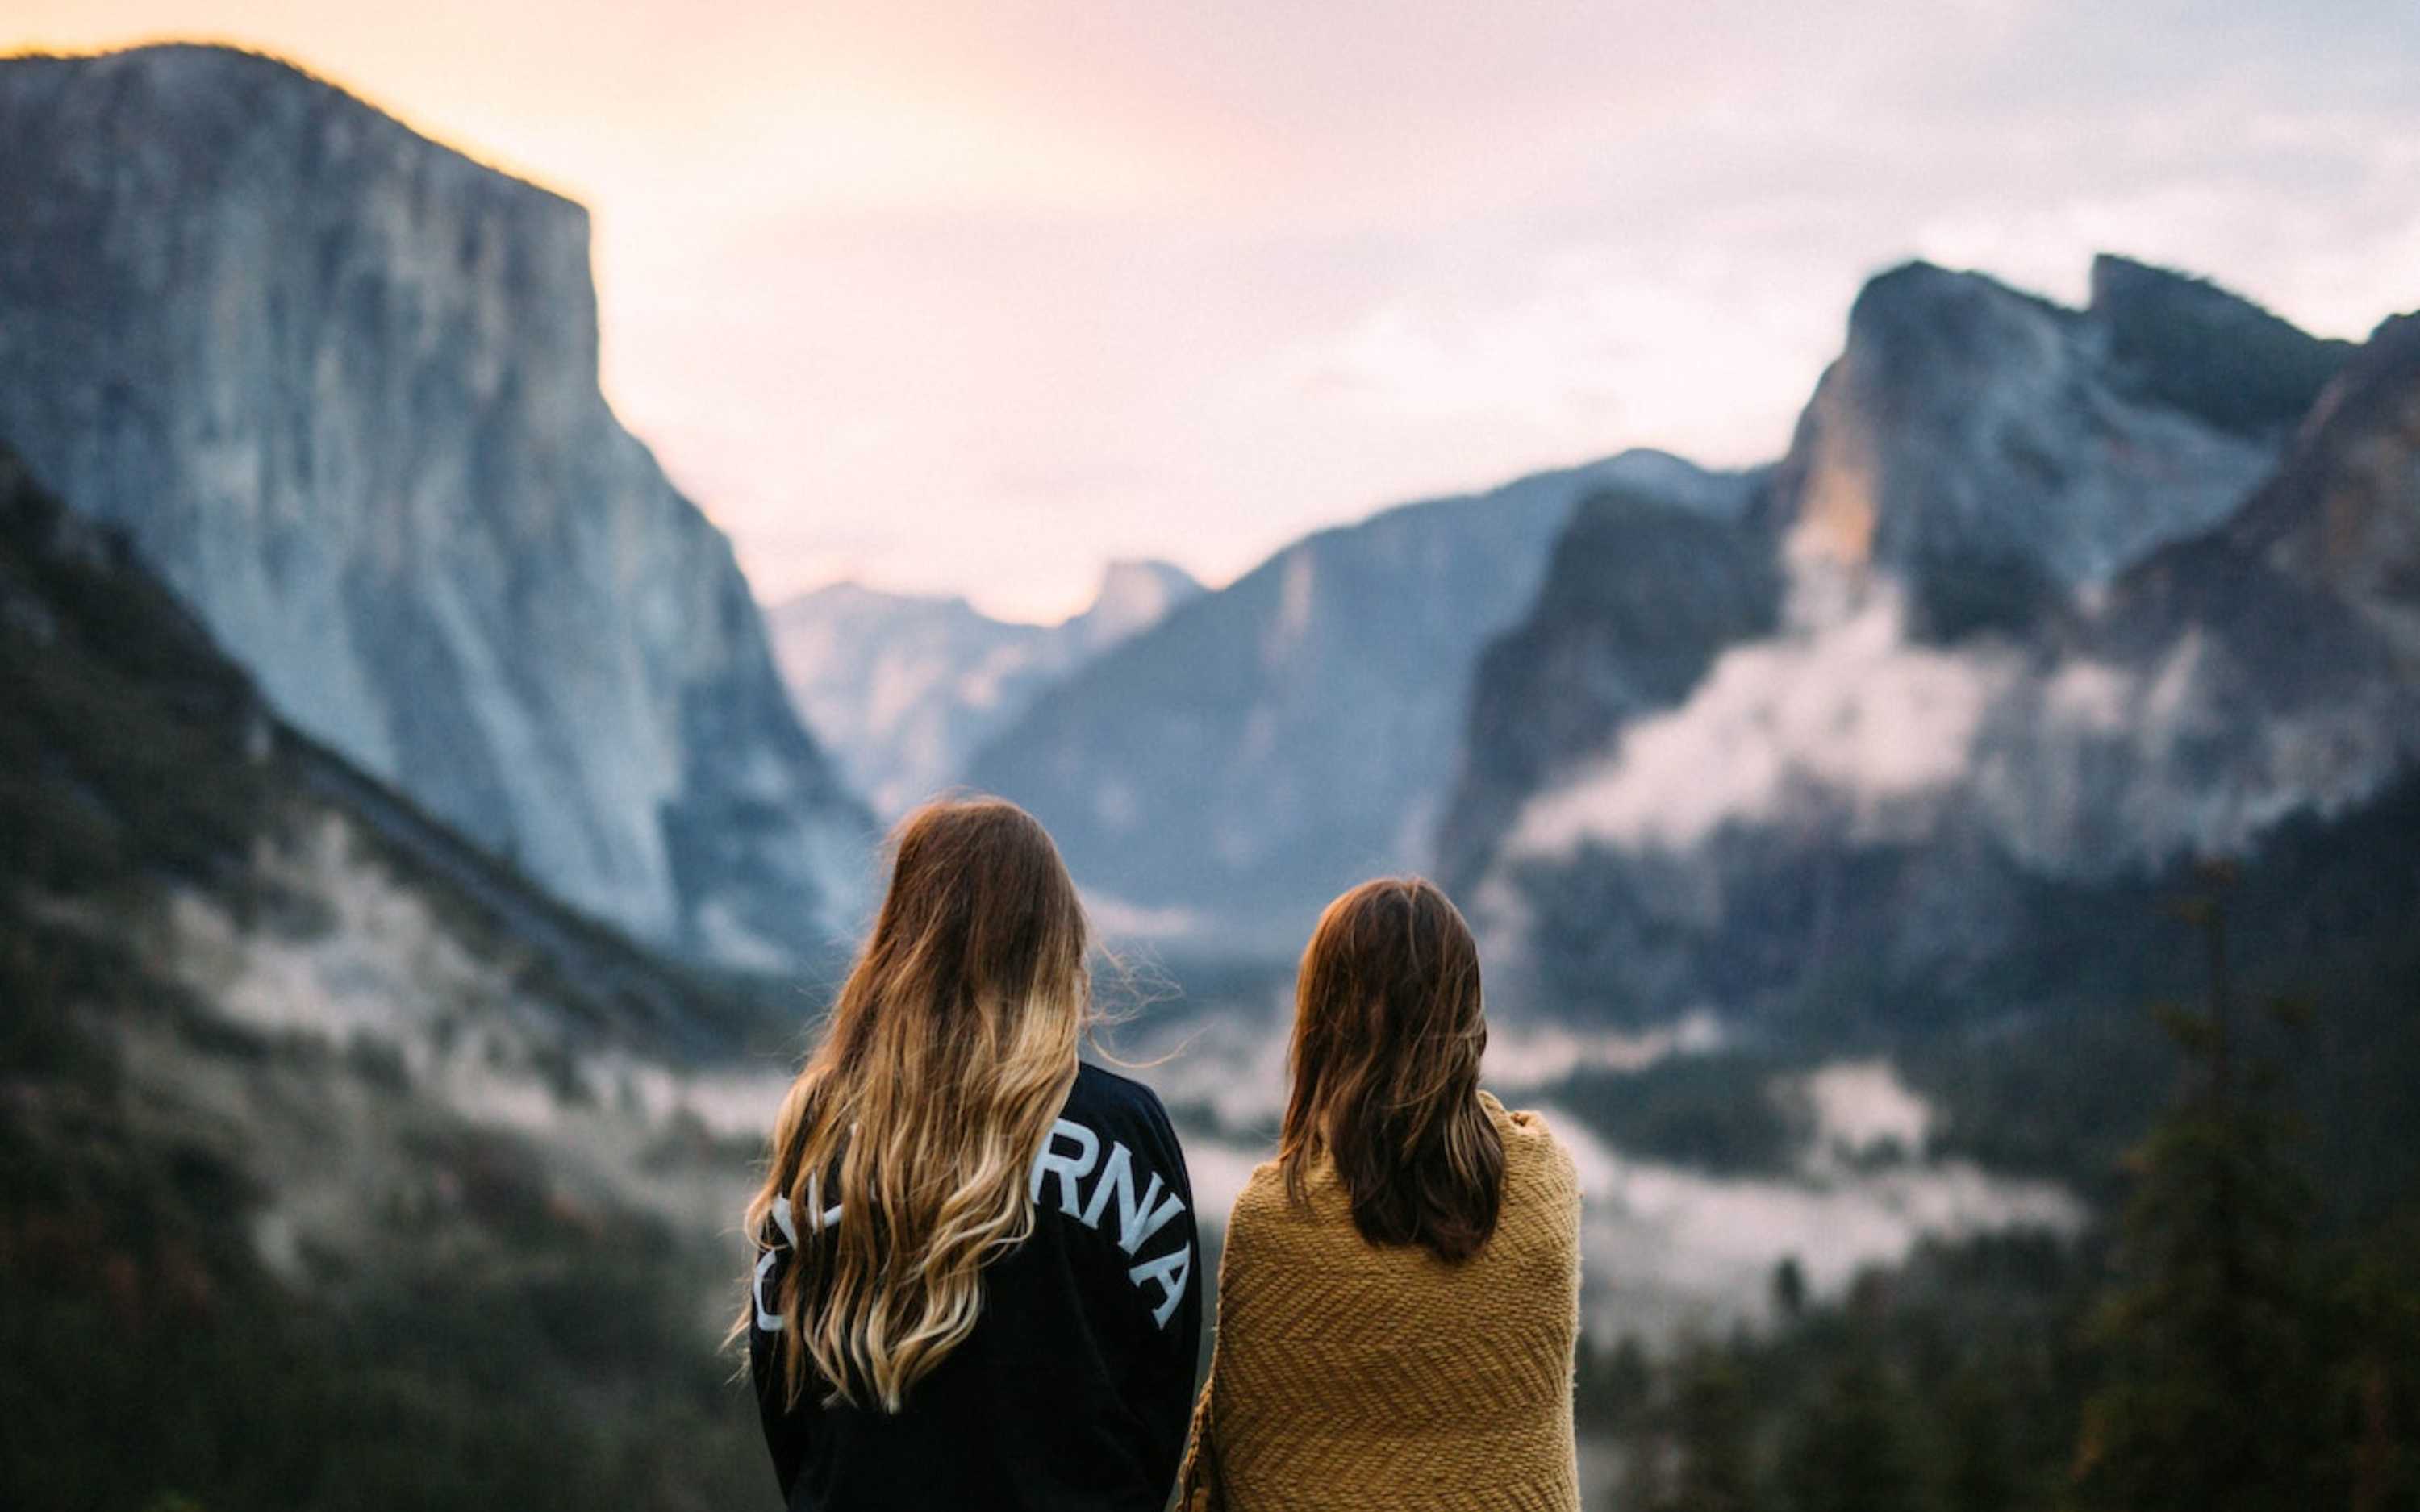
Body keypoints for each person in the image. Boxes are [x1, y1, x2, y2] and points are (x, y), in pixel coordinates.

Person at [741, 797, 1202, 1510]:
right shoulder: (1125, 1129)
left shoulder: (824, 1124)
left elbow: (783, 1386)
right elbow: (1162, 1385)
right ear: (1056, 942)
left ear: (902, 938)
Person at [1179, 877, 1581, 1512]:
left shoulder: (1276, 1221)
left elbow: (1247, 1466)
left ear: (1321, 1025)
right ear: (1469, 1020)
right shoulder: (1543, 1186)